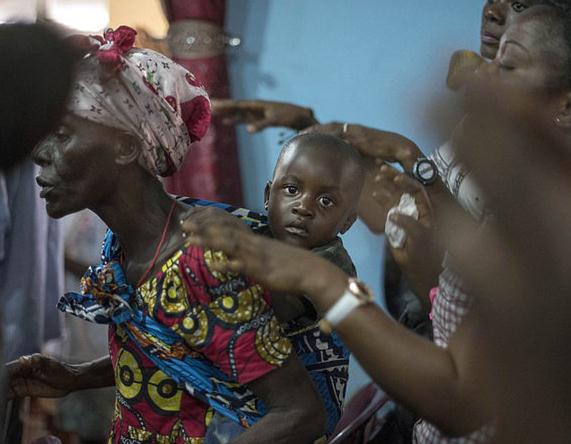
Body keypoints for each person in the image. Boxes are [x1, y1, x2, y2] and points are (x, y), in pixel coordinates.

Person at [182, 5, 571, 442]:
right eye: (290, 190)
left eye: (509, 64)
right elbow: (447, 300)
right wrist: (308, 127)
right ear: (268, 191)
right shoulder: (517, 191)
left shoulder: (547, 221)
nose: (485, 75)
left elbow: (458, 400)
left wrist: (322, 281)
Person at [6, 26, 326, 444]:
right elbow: (185, 347)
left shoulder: (199, 260)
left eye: (63, 135)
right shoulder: (123, 244)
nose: (40, 153)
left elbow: (299, 413)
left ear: (126, 147)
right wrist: (77, 376)